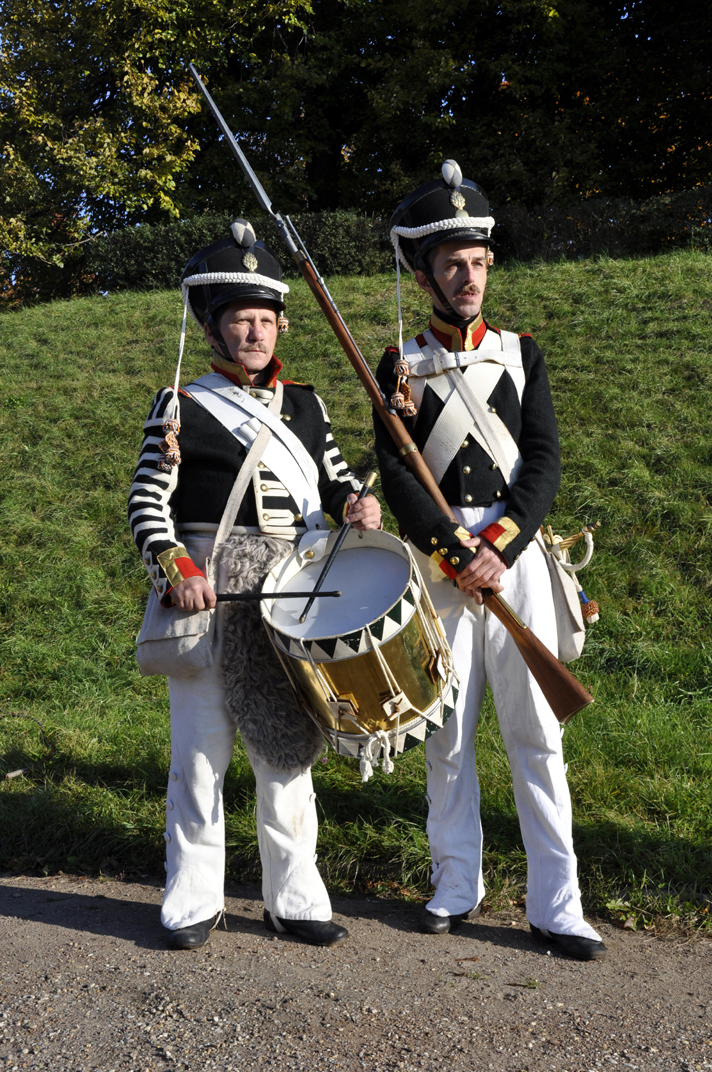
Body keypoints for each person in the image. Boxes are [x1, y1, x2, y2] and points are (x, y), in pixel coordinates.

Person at [373, 161, 605, 961]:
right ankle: (455, 884)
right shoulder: (398, 367)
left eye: (475, 262)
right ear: (427, 274)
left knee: (537, 735)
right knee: (449, 735)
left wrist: (498, 547)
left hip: (516, 558)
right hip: (439, 565)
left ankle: (557, 904)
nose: (465, 276)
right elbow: (398, 476)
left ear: (488, 266)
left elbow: (542, 462)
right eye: (450, 264)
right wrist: (451, 551)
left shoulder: (521, 354)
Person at [128, 220, 380, 950]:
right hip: (210, 598)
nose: (255, 332)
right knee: (199, 754)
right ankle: (193, 894)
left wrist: (357, 502)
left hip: (291, 593)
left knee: (286, 749)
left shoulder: (305, 405)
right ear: (214, 327)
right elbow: (148, 500)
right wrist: (177, 570)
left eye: (266, 319)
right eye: (241, 319)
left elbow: (337, 483)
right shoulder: (181, 405)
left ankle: (294, 894)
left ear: (281, 325)